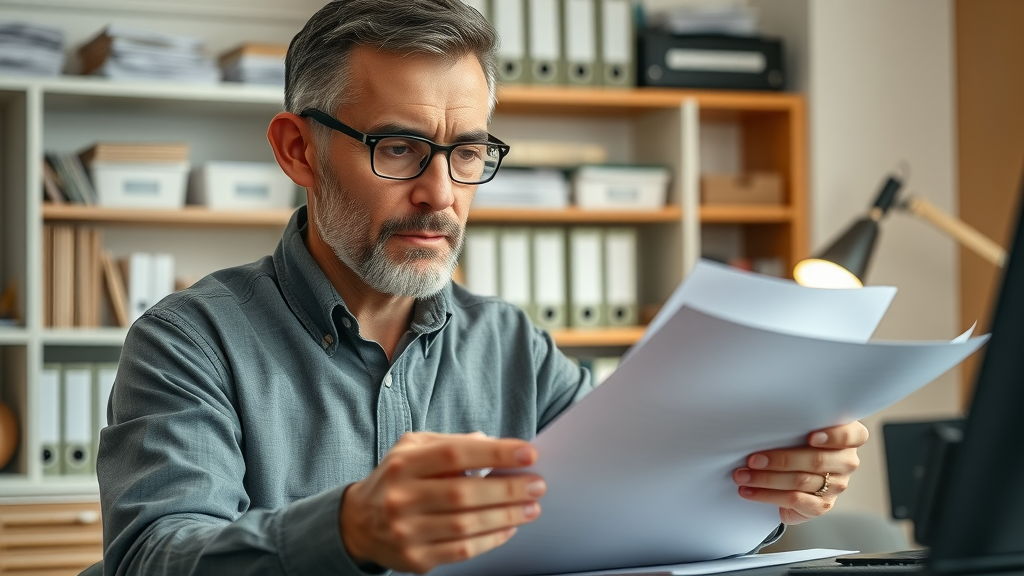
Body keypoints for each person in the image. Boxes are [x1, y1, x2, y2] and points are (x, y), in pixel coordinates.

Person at [96, 1, 869, 575]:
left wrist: (756, 492)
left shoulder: (514, 347)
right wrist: (347, 529)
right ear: (298, 150)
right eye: (399, 147)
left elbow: (635, 512)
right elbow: (153, 556)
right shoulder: (187, 341)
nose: (441, 193)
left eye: (467, 153)